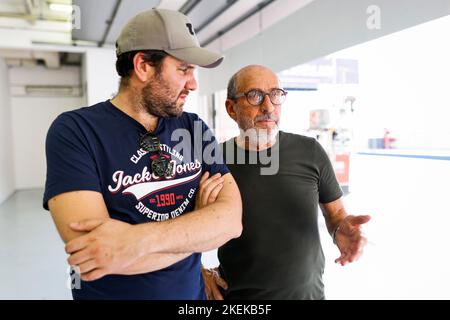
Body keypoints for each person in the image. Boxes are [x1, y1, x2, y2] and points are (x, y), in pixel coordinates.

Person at [43, 8, 242, 300]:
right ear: (143, 66)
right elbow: (95, 254)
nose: (193, 83)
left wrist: (136, 240)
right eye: (183, 69)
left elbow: (231, 221)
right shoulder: (75, 131)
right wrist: (198, 225)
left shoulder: (193, 127)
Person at [202, 65, 371, 300]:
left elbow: (336, 215)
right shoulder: (214, 160)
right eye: (255, 95)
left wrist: (340, 230)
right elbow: (179, 226)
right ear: (231, 108)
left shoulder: (310, 151)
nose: (268, 106)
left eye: (276, 95)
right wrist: (198, 272)